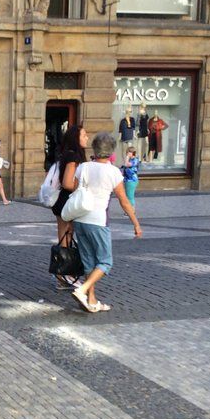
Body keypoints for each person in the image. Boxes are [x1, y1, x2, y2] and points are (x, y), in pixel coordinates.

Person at [69, 132, 143, 313]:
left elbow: (76, 191)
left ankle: (91, 300)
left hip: (80, 218)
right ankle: (83, 290)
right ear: (111, 151)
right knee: (105, 262)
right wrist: (136, 223)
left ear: (94, 149)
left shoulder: (84, 167)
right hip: (98, 220)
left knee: (89, 262)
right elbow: (124, 200)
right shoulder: (113, 172)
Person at [50, 125, 89, 289]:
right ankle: (63, 275)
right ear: (76, 138)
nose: (87, 137)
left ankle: (63, 275)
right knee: (65, 237)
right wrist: (82, 186)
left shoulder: (67, 155)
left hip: (63, 201)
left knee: (64, 236)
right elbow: (67, 182)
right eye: (84, 135)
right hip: (68, 201)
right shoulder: (73, 157)